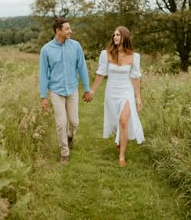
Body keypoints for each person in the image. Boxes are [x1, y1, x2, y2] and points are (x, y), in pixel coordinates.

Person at [87, 26, 144, 167]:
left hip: (127, 91)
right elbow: (101, 74)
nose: (115, 37)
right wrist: (92, 91)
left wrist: (138, 98)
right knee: (115, 122)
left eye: (118, 35)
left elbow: (135, 78)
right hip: (111, 92)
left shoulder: (134, 57)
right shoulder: (106, 54)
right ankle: (118, 139)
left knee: (124, 120)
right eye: (114, 35)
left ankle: (122, 156)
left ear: (125, 36)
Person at [39, 17, 92, 164]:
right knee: (61, 123)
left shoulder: (75, 46)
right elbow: (43, 73)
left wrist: (87, 89)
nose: (70, 31)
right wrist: (43, 97)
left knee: (74, 122)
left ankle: (70, 136)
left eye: (70, 28)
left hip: (72, 89)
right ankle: (64, 153)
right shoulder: (46, 50)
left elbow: (82, 68)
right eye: (67, 29)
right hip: (56, 91)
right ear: (58, 31)